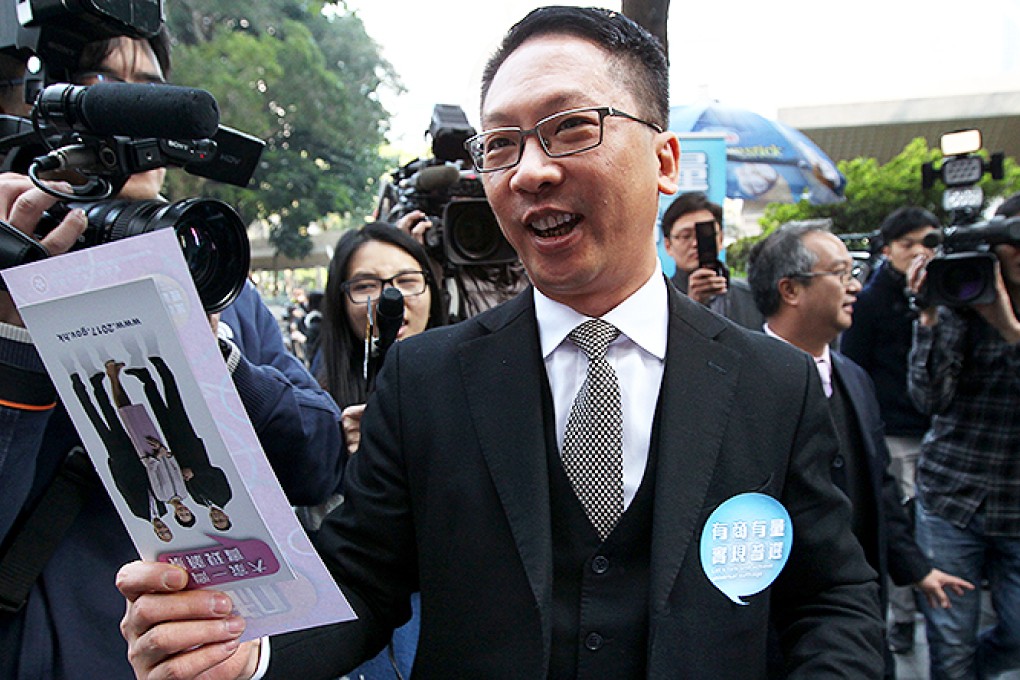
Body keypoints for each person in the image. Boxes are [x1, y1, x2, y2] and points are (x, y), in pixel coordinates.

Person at [117, 8, 885, 679]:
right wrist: (244, 656)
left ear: (663, 159)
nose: (531, 171)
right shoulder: (426, 379)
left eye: (571, 127)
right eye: (499, 146)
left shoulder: (771, 383)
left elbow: (832, 596)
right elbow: (360, 578)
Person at [0, 26, 344, 680]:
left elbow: (320, 458)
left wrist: (207, 345)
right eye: (107, 94)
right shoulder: (4, 284)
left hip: (200, 657)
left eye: (153, 95)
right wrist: (15, 336)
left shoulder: (209, 276)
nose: (136, 116)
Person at [747, 221, 974, 678]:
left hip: (861, 624)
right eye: (841, 273)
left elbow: (880, 486)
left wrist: (916, 569)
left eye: (855, 272)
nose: (855, 286)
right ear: (790, 289)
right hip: (777, 637)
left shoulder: (854, 378)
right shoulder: (739, 383)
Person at [299, 222, 446, 680]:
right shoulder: (313, 405)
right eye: (367, 286)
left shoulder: (476, 388)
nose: (390, 299)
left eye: (407, 281)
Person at [905, 194, 1020, 679]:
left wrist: (1009, 328)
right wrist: (929, 316)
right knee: (949, 647)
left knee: (1016, 636)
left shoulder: (994, 312)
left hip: (1016, 503)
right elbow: (928, 398)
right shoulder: (965, 291)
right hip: (953, 494)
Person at [840, 206, 939, 654]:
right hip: (893, 431)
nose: (919, 253)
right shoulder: (872, 300)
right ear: (887, 250)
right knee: (898, 523)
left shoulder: (950, 291)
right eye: (908, 245)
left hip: (938, 430)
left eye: (929, 242)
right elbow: (855, 364)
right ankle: (903, 615)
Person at [661, 191, 764, 330]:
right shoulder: (660, 301)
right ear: (668, 246)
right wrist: (692, 308)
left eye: (704, 234)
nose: (695, 243)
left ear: (720, 239)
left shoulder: (752, 296)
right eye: (686, 236)